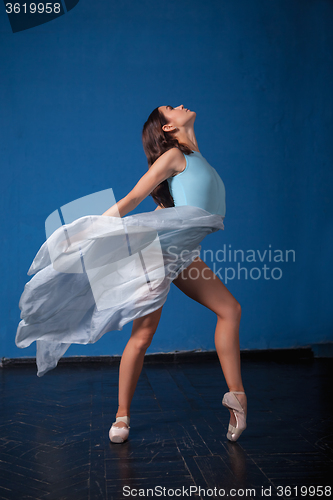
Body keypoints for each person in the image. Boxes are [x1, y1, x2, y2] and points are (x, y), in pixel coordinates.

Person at [105, 104, 247, 444]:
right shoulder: (172, 156)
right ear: (168, 129)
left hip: (182, 255)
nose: (180, 106)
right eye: (170, 109)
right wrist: (91, 228)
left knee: (230, 310)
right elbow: (134, 196)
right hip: (157, 255)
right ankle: (121, 415)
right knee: (143, 336)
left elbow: (170, 209)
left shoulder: (197, 160)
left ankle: (236, 398)